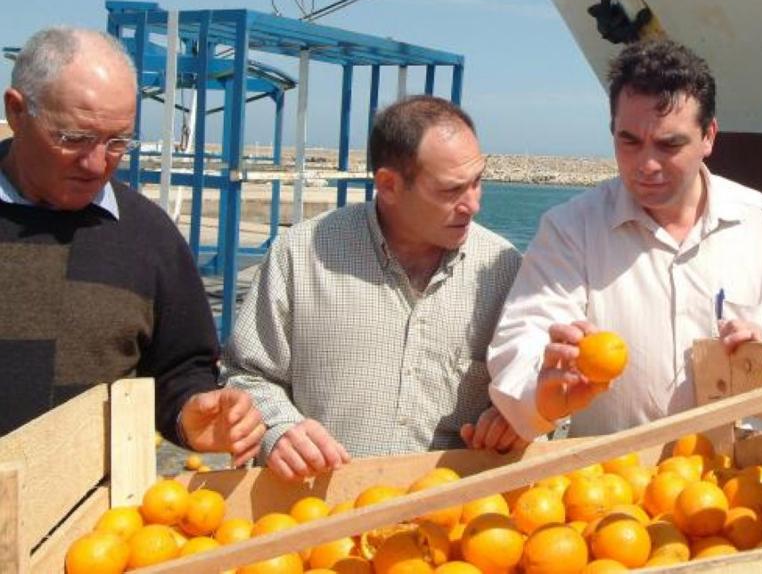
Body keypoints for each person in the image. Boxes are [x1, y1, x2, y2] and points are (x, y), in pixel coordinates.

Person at [487, 39, 762, 441]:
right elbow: (521, 340)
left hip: (739, 486)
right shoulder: (570, 229)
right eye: (629, 141)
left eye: (670, 144)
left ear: (709, 136)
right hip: (614, 489)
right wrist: (546, 395)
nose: (646, 165)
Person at [223, 96, 524, 481]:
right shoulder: (300, 255)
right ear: (388, 185)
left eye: (478, 182)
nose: (473, 205)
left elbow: (529, 388)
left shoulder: (504, 270)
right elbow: (245, 375)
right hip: (320, 520)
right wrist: (279, 430)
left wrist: (517, 416)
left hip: (450, 529)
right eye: (451, 191)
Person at [0, 27, 263, 465]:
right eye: (74, 138)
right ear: (16, 111)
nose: (96, 163)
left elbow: (181, 367)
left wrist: (189, 414)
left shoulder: (149, 235)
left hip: (96, 526)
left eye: (118, 142)